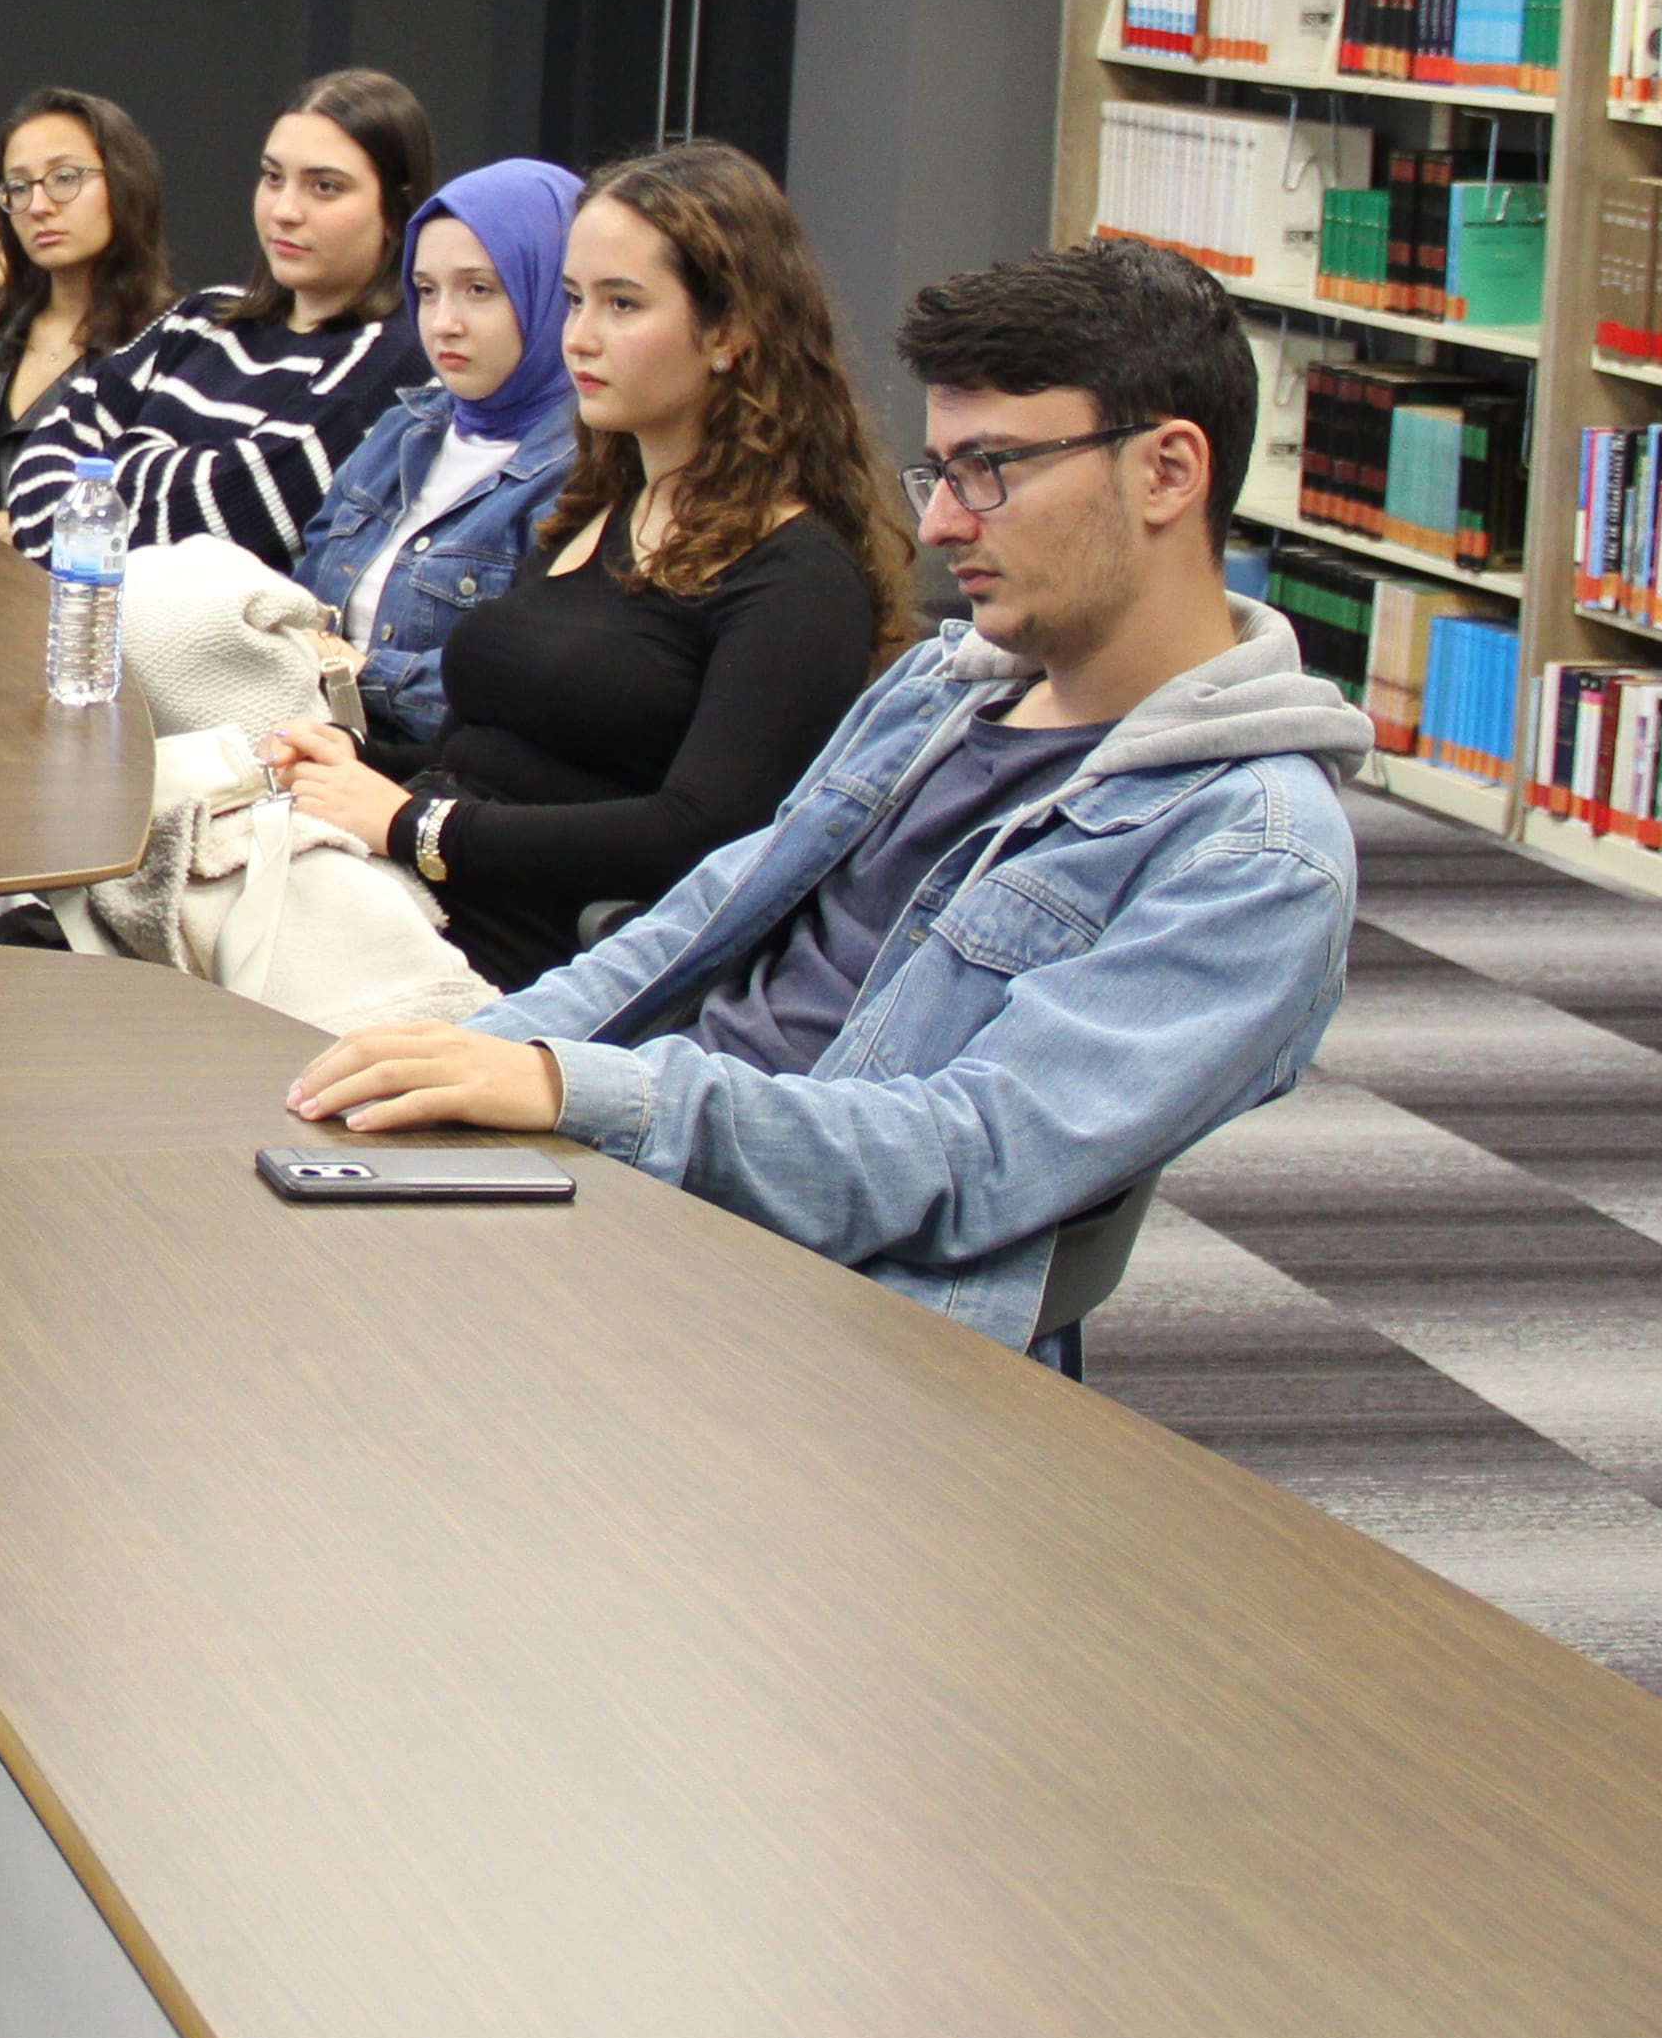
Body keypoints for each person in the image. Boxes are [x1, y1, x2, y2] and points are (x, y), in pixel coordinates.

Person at [282, 240, 1369, 1349]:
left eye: (990, 469)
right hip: (642, 1194)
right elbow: (691, 927)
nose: (942, 525)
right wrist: (473, 1063)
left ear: (1168, 473)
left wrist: (577, 1091)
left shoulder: (1253, 855)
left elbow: (965, 1159)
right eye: (940, 474)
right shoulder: (941, 691)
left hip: (807, 1315)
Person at [263, 140, 909, 992]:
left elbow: (703, 836)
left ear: (730, 331)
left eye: (622, 304)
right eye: (573, 300)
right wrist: (353, 761)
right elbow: (483, 757)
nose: (580, 337)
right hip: (419, 888)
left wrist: (418, 826)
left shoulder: (798, 575)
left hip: (527, 962)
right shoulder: (597, 510)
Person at [0, 69, 434, 562]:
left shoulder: (395, 359)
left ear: (396, 207)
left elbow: (232, 515)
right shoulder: (204, 317)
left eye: (325, 186)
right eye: (273, 177)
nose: (284, 210)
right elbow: (36, 471)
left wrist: (117, 463)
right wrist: (177, 473)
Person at [289, 157, 583, 742]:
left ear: (554, 291)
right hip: (309, 739)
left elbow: (527, 691)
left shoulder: (584, 470)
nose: (444, 322)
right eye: (426, 291)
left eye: (479, 290)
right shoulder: (404, 429)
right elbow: (301, 604)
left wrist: (357, 672)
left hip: (429, 775)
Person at [0, 87, 172, 526]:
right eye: (18, 187)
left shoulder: (170, 345)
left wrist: (31, 531)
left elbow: (173, 516)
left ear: (125, 183)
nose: (38, 207)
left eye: (64, 178)